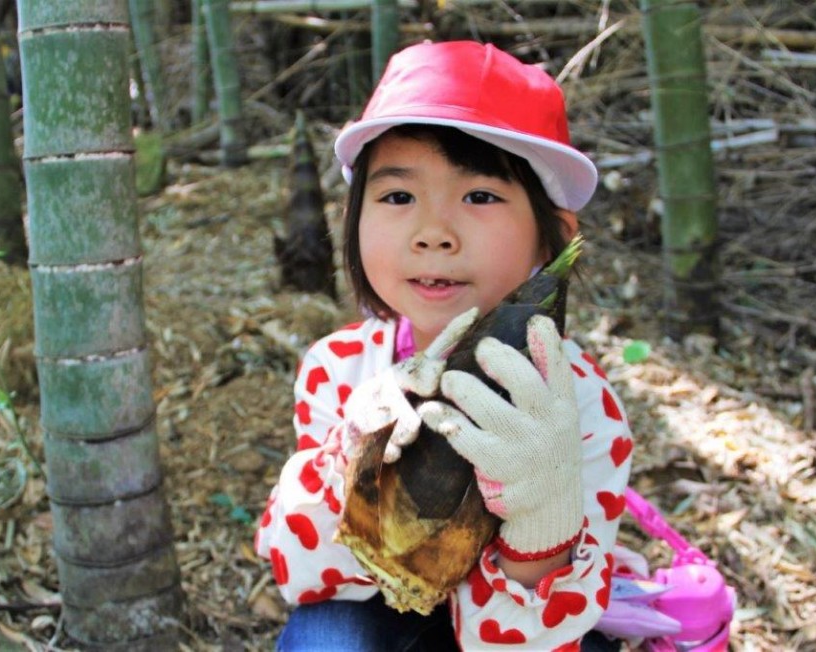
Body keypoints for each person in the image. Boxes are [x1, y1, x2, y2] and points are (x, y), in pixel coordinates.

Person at [255, 40, 633, 651]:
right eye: (398, 197)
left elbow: (534, 639)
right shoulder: (338, 369)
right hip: (372, 612)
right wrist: (346, 463)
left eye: (480, 196)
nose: (433, 233)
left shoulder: (581, 407)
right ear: (353, 220)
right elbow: (297, 573)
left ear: (553, 237)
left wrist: (543, 526)